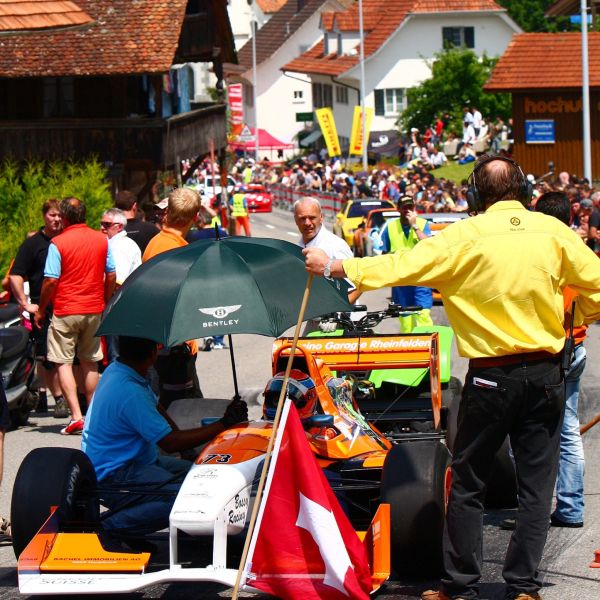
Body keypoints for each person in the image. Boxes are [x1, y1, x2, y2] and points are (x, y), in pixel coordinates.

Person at [304, 154, 600, 600]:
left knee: (467, 484)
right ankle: (523, 587)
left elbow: (402, 266)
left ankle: (460, 585)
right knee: (537, 487)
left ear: (474, 195)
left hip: (490, 378)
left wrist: (338, 265)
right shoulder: (554, 231)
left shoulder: (462, 236)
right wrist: (576, 318)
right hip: (545, 372)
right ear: (522, 190)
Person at [81, 335, 248, 535]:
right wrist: (224, 424)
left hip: (137, 462)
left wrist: (190, 448)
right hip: (115, 474)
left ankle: (135, 525)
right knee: (186, 498)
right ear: (153, 354)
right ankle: (109, 529)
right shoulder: (129, 390)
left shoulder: (119, 369)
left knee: (204, 478)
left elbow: (158, 411)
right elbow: (170, 443)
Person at [35, 197, 116, 435]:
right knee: (90, 361)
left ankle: (76, 416)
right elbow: (111, 274)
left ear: (66, 217)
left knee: (63, 362)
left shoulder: (58, 243)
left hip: (65, 309)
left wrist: (41, 308)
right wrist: (105, 298)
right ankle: (92, 416)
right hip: (93, 307)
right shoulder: (102, 240)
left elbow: (50, 280)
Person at [535, 192, 587, 528]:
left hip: (554, 350)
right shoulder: (579, 252)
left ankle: (537, 509)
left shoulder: (547, 254)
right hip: (576, 346)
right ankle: (569, 506)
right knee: (567, 430)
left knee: (529, 431)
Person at [143, 188, 203, 406]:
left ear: (168, 211)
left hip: (160, 340)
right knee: (186, 410)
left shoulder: (156, 242)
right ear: (195, 217)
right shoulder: (181, 252)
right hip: (175, 343)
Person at [9, 199, 67, 416]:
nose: (56, 219)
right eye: (52, 215)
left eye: (60, 215)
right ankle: (59, 399)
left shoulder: (66, 239)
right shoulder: (33, 244)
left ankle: (72, 398)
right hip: (42, 308)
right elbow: (16, 274)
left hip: (68, 304)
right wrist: (25, 303)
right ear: (44, 216)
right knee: (47, 356)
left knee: (70, 356)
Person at [379, 196, 433, 332]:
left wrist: (415, 226)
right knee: (405, 319)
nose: (407, 210)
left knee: (423, 315)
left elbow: (430, 245)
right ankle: (409, 348)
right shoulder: (390, 227)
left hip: (421, 279)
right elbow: (384, 254)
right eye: (404, 207)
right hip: (401, 281)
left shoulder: (422, 224)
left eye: (410, 207)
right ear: (398, 209)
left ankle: (427, 346)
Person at [293, 196, 359, 305]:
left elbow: (357, 284)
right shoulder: (300, 245)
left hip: (337, 318)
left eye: (312, 217)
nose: (307, 223)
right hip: (315, 315)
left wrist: (336, 313)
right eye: (302, 218)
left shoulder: (335, 245)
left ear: (321, 217)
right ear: (295, 220)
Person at [100, 208, 142, 363]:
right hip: (124, 306)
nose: (102, 228)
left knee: (117, 357)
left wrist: (106, 300)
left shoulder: (119, 247)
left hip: (119, 306)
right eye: (101, 223)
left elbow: (117, 280)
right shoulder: (119, 244)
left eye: (107, 224)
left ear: (119, 226)